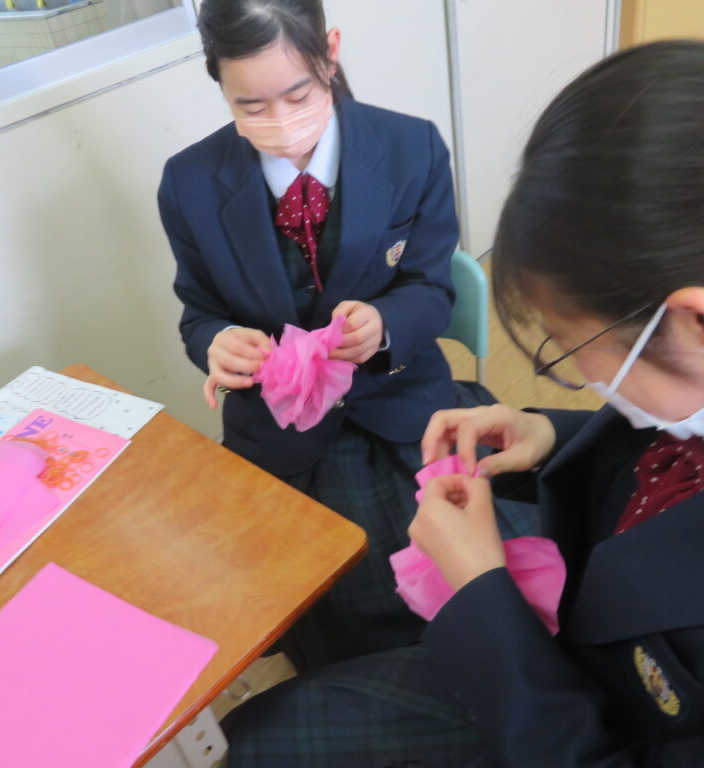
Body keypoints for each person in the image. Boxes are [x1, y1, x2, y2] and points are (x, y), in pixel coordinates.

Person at [221, 40, 704, 767]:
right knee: (265, 727)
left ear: (703, 324)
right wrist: (551, 434)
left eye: (573, 350)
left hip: (564, 722)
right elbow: (685, 442)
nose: (587, 377)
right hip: (554, 637)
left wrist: (481, 594)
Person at [158, 0, 532, 670]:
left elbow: (432, 288)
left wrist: (386, 324)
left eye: (298, 94)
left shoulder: (411, 148)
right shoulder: (188, 183)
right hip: (279, 425)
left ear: (330, 52)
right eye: (250, 106)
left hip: (399, 398)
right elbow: (198, 312)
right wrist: (217, 341)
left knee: (450, 561)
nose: (281, 123)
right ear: (217, 80)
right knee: (307, 591)